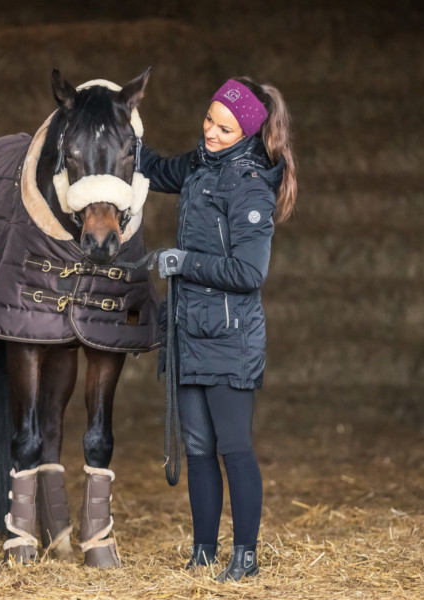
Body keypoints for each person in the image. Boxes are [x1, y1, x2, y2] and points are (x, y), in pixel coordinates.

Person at [140, 77, 298, 581]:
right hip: (189, 335)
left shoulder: (250, 186)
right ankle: (203, 552)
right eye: (209, 119)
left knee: (233, 447)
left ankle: (245, 556)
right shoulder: (198, 167)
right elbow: (154, 167)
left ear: (248, 132)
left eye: (224, 128)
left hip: (230, 340)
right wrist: (122, 129)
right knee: (199, 450)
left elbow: (250, 274)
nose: (210, 132)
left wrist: (181, 261)